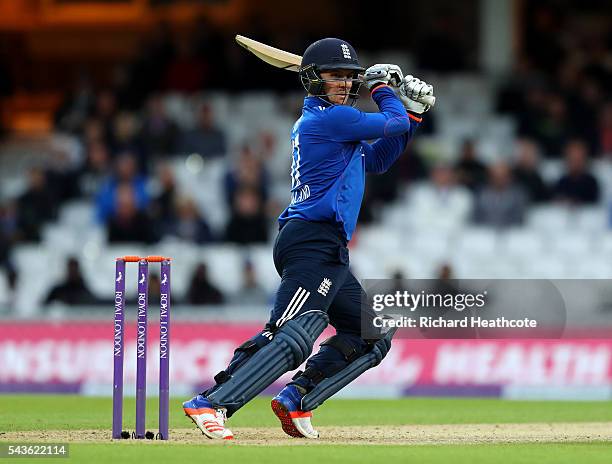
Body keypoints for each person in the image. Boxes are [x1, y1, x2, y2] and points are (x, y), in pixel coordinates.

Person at [182, 38, 433, 440]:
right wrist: (384, 89)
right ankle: (212, 402)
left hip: (327, 246)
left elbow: (380, 157)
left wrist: (414, 115)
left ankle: (298, 397)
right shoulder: (329, 120)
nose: (346, 85)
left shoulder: (339, 129)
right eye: (337, 77)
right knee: (291, 335)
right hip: (311, 241)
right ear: (313, 79)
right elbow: (392, 121)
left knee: (370, 332)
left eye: (351, 78)